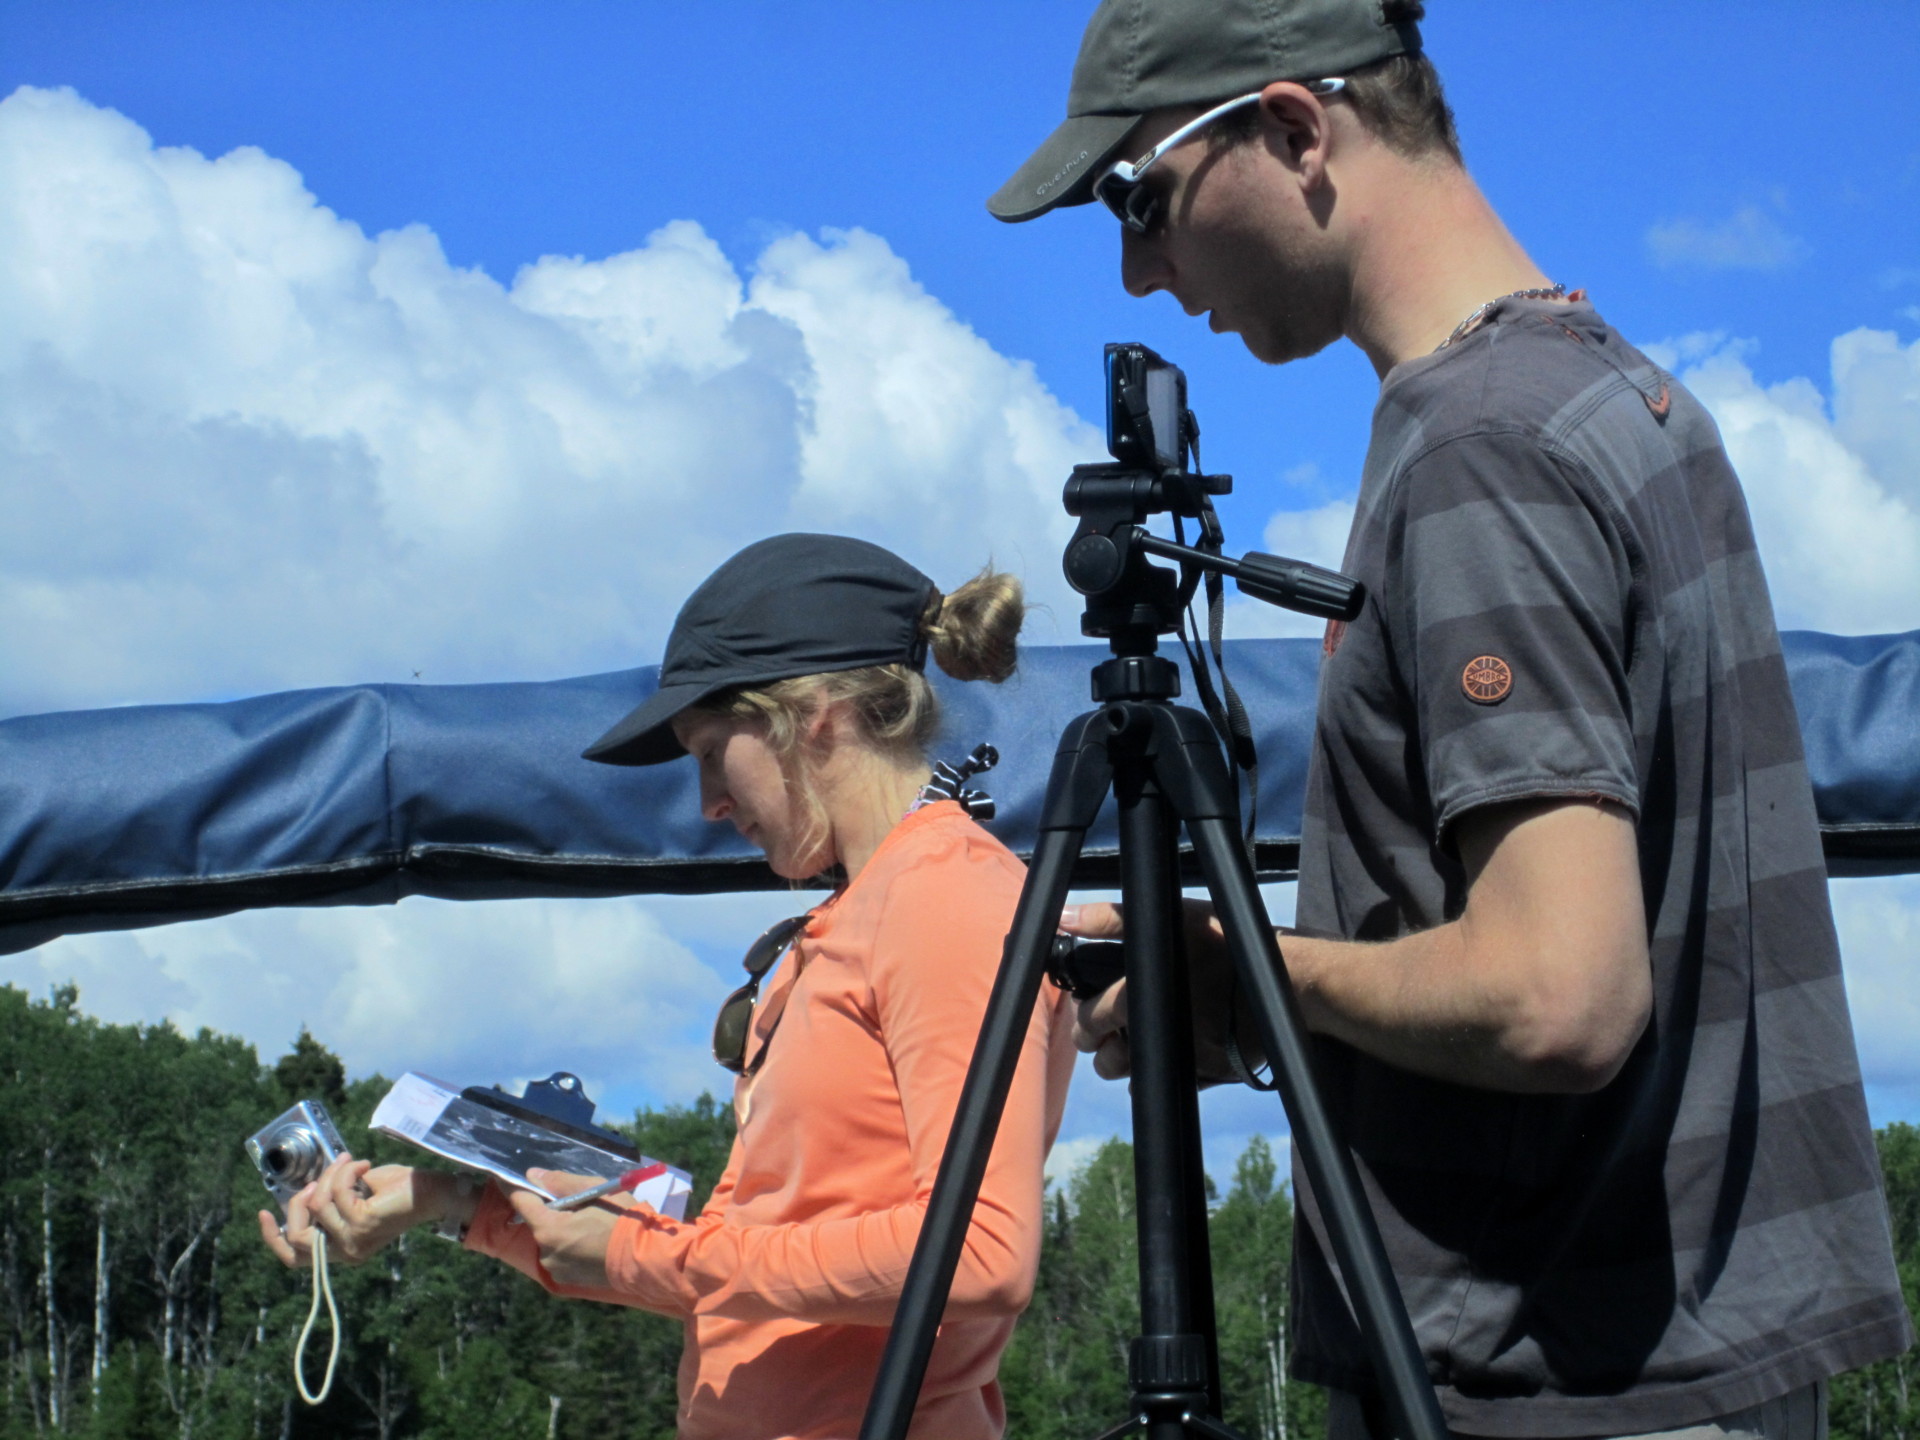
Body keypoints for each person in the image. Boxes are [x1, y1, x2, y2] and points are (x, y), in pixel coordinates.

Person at [991, 2, 1910, 1437]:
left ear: (1296, 130)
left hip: (1565, 1387)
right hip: (1682, 1361)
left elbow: (1558, 995)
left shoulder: (1484, 451)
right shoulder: (1622, 399)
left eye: (1140, 196)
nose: (1139, 270)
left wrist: (1248, 972)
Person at [258, 532, 1077, 1440]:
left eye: (709, 752)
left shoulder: (943, 897)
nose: (708, 805)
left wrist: (668, 1257)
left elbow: (979, 1256)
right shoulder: (876, 905)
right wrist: (452, 1205)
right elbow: (761, 1261)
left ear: (809, 714)